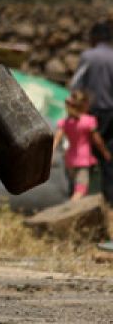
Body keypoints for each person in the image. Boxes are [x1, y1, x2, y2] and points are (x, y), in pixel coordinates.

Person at [71, 20, 113, 247]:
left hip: (93, 114)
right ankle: (108, 202)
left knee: (84, 159)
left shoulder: (89, 56)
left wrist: (76, 109)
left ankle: (81, 206)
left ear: (95, 38)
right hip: (112, 114)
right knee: (108, 160)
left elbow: (76, 84)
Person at [53, 89, 111, 200]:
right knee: (81, 190)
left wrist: (51, 152)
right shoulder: (88, 121)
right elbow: (97, 140)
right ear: (84, 105)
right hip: (83, 160)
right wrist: (105, 152)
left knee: (74, 187)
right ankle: (69, 211)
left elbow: (56, 139)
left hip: (69, 160)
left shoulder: (65, 122)